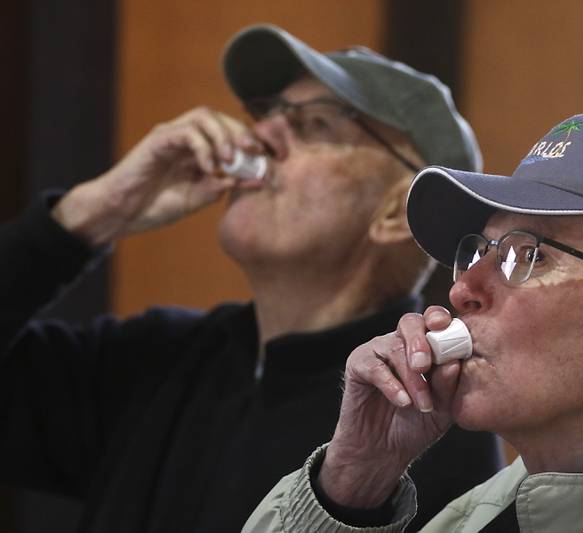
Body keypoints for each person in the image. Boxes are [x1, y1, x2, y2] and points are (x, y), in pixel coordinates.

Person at [0, 25, 505, 532]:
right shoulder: (156, 362)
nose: (260, 135)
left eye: (314, 124)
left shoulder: (428, 411)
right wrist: (86, 217)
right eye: (266, 113)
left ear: (398, 211)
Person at [243, 111, 583, 532]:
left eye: (526, 256)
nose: (461, 290)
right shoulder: (483, 513)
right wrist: (353, 481)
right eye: (477, 251)